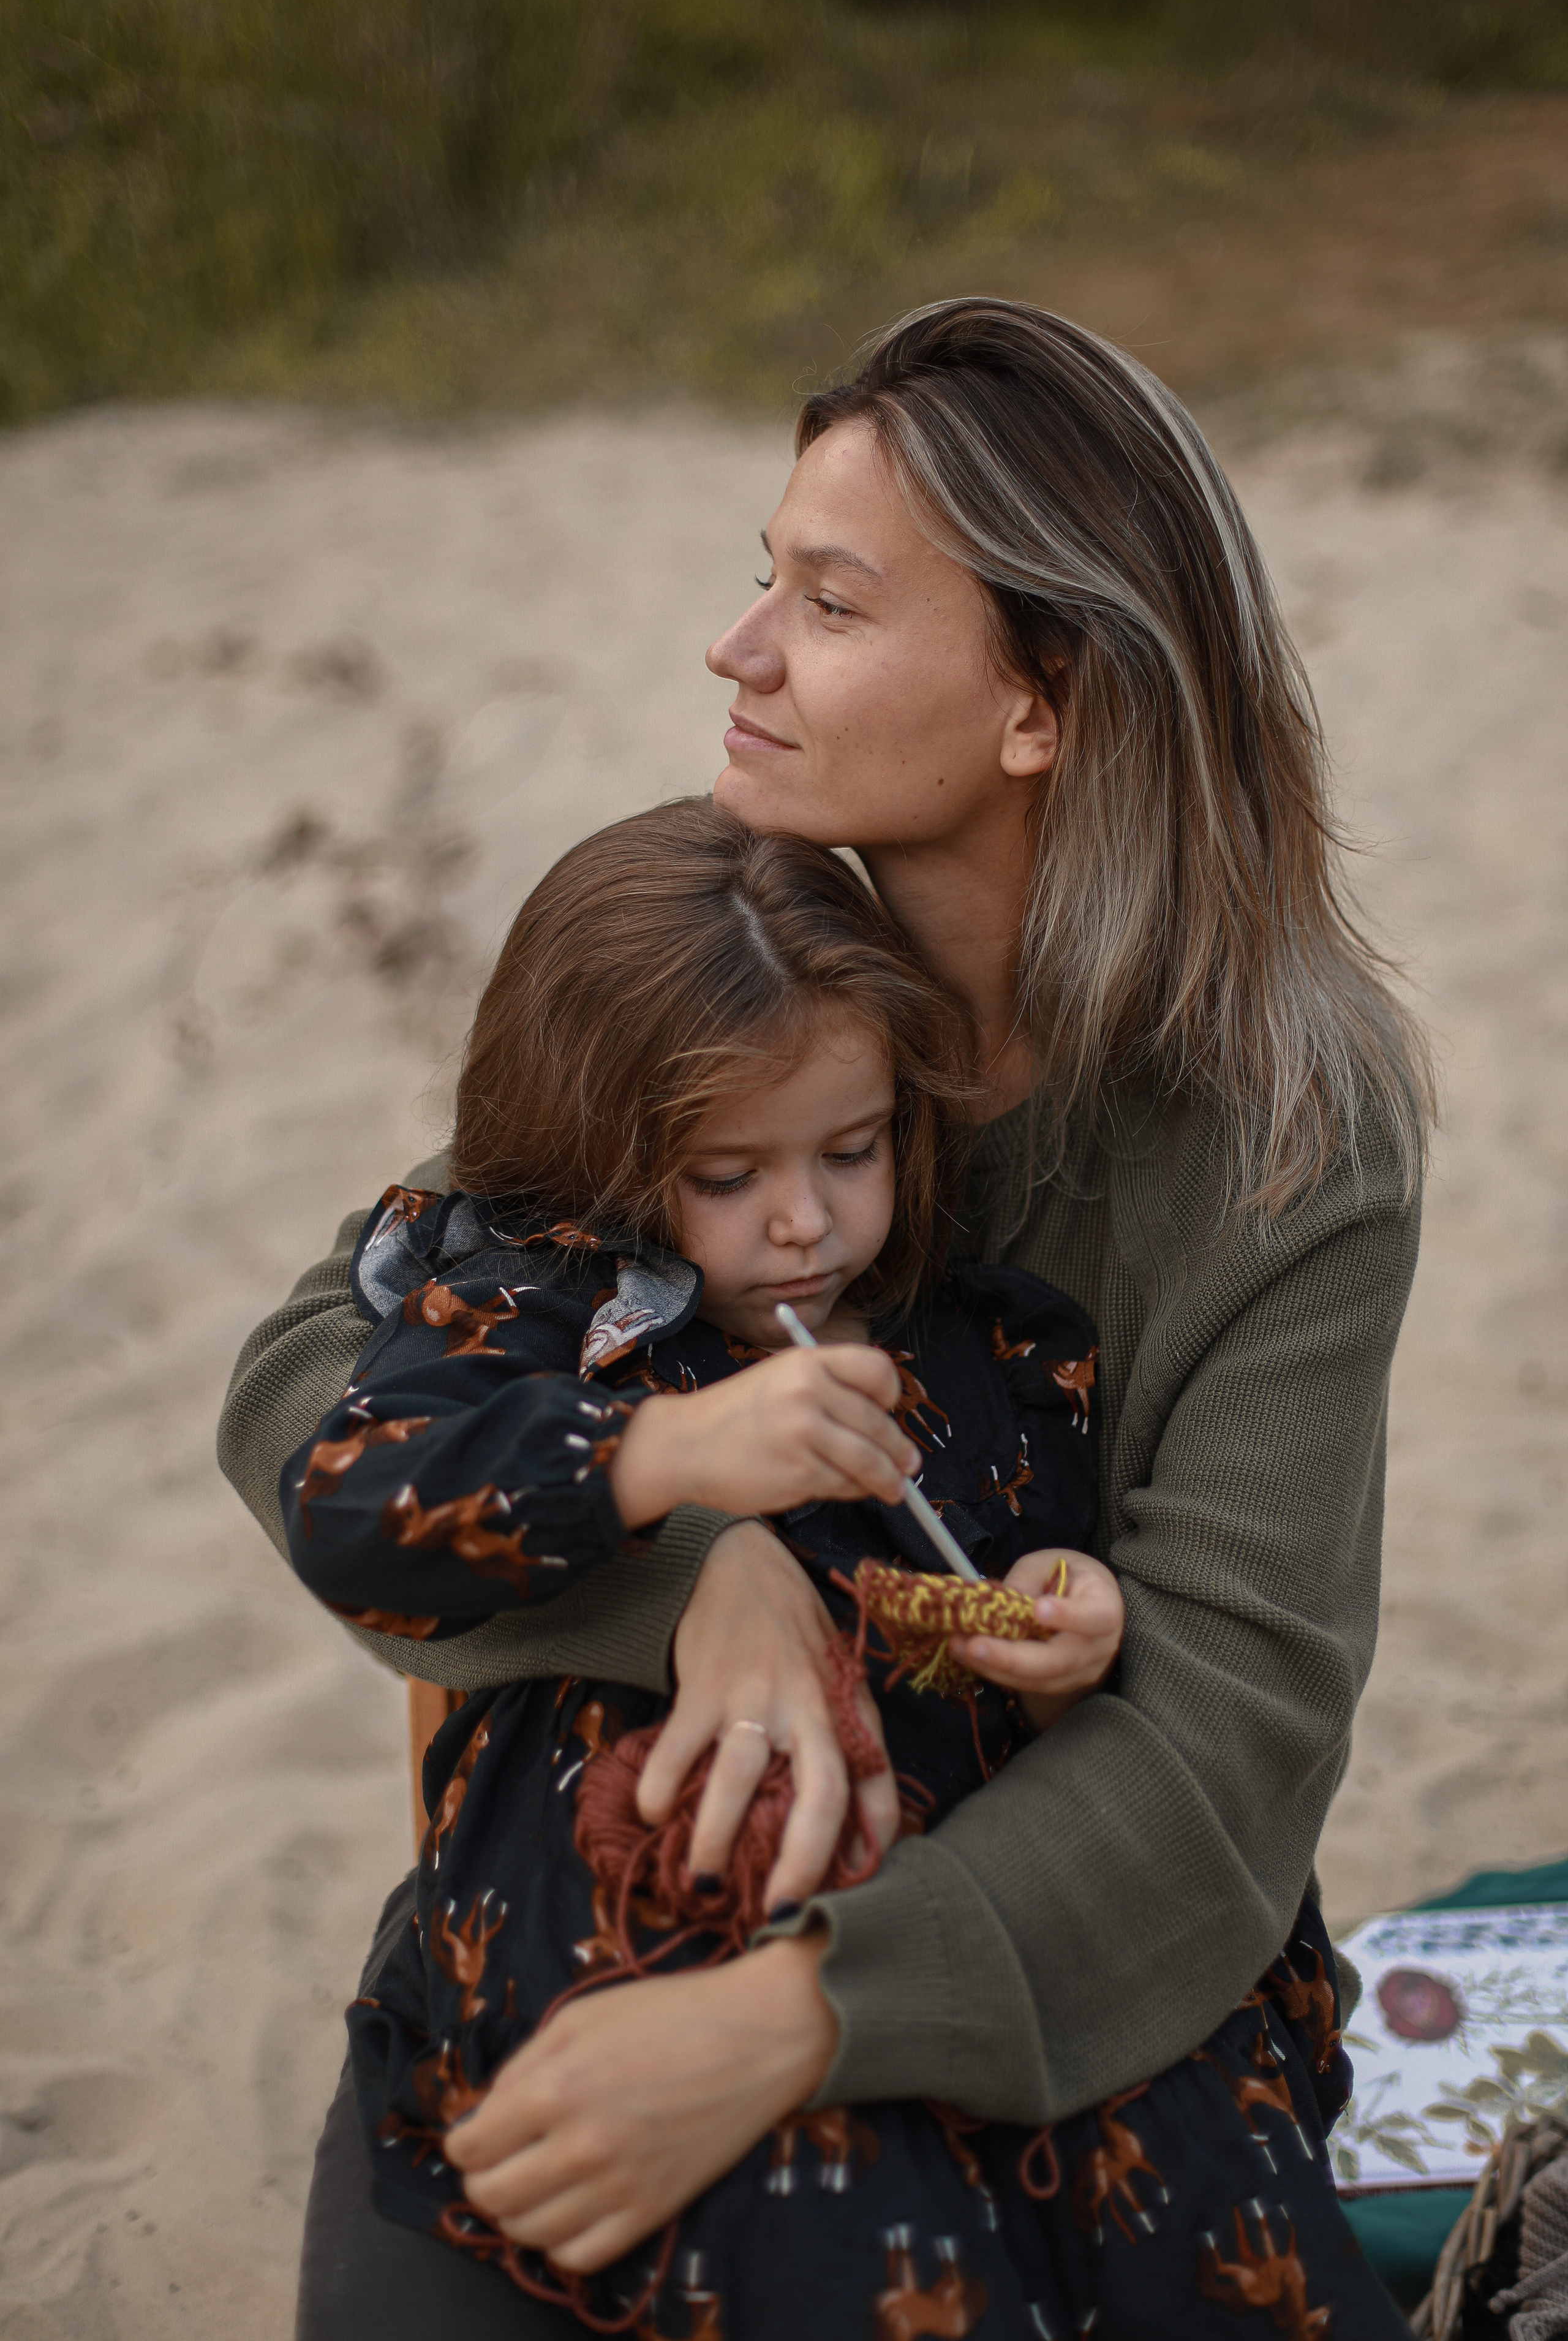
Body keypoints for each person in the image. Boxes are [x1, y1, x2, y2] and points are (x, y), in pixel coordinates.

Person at [219, 298, 1431, 2337]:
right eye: (758, 576)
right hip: (629, 1899)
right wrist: (695, 1568)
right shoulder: (740, 946)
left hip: (1055, 1949)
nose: (741, 646)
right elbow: (318, 1392)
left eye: (830, 601)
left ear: (1042, 702)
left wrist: (797, 2024)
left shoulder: (1290, 1131)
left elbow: (1227, 1748)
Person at [285, 798, 1129, 2332]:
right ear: (605, 1156)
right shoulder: (539, 1314)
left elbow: (1003, 1638)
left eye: (851, 1151)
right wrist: (659, 1465)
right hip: (590, 1981)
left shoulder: (987, 1351)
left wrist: (1060, 1628)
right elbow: (348, 1514)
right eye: (725, 1178)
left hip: (893, 1976)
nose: (803, 1224)